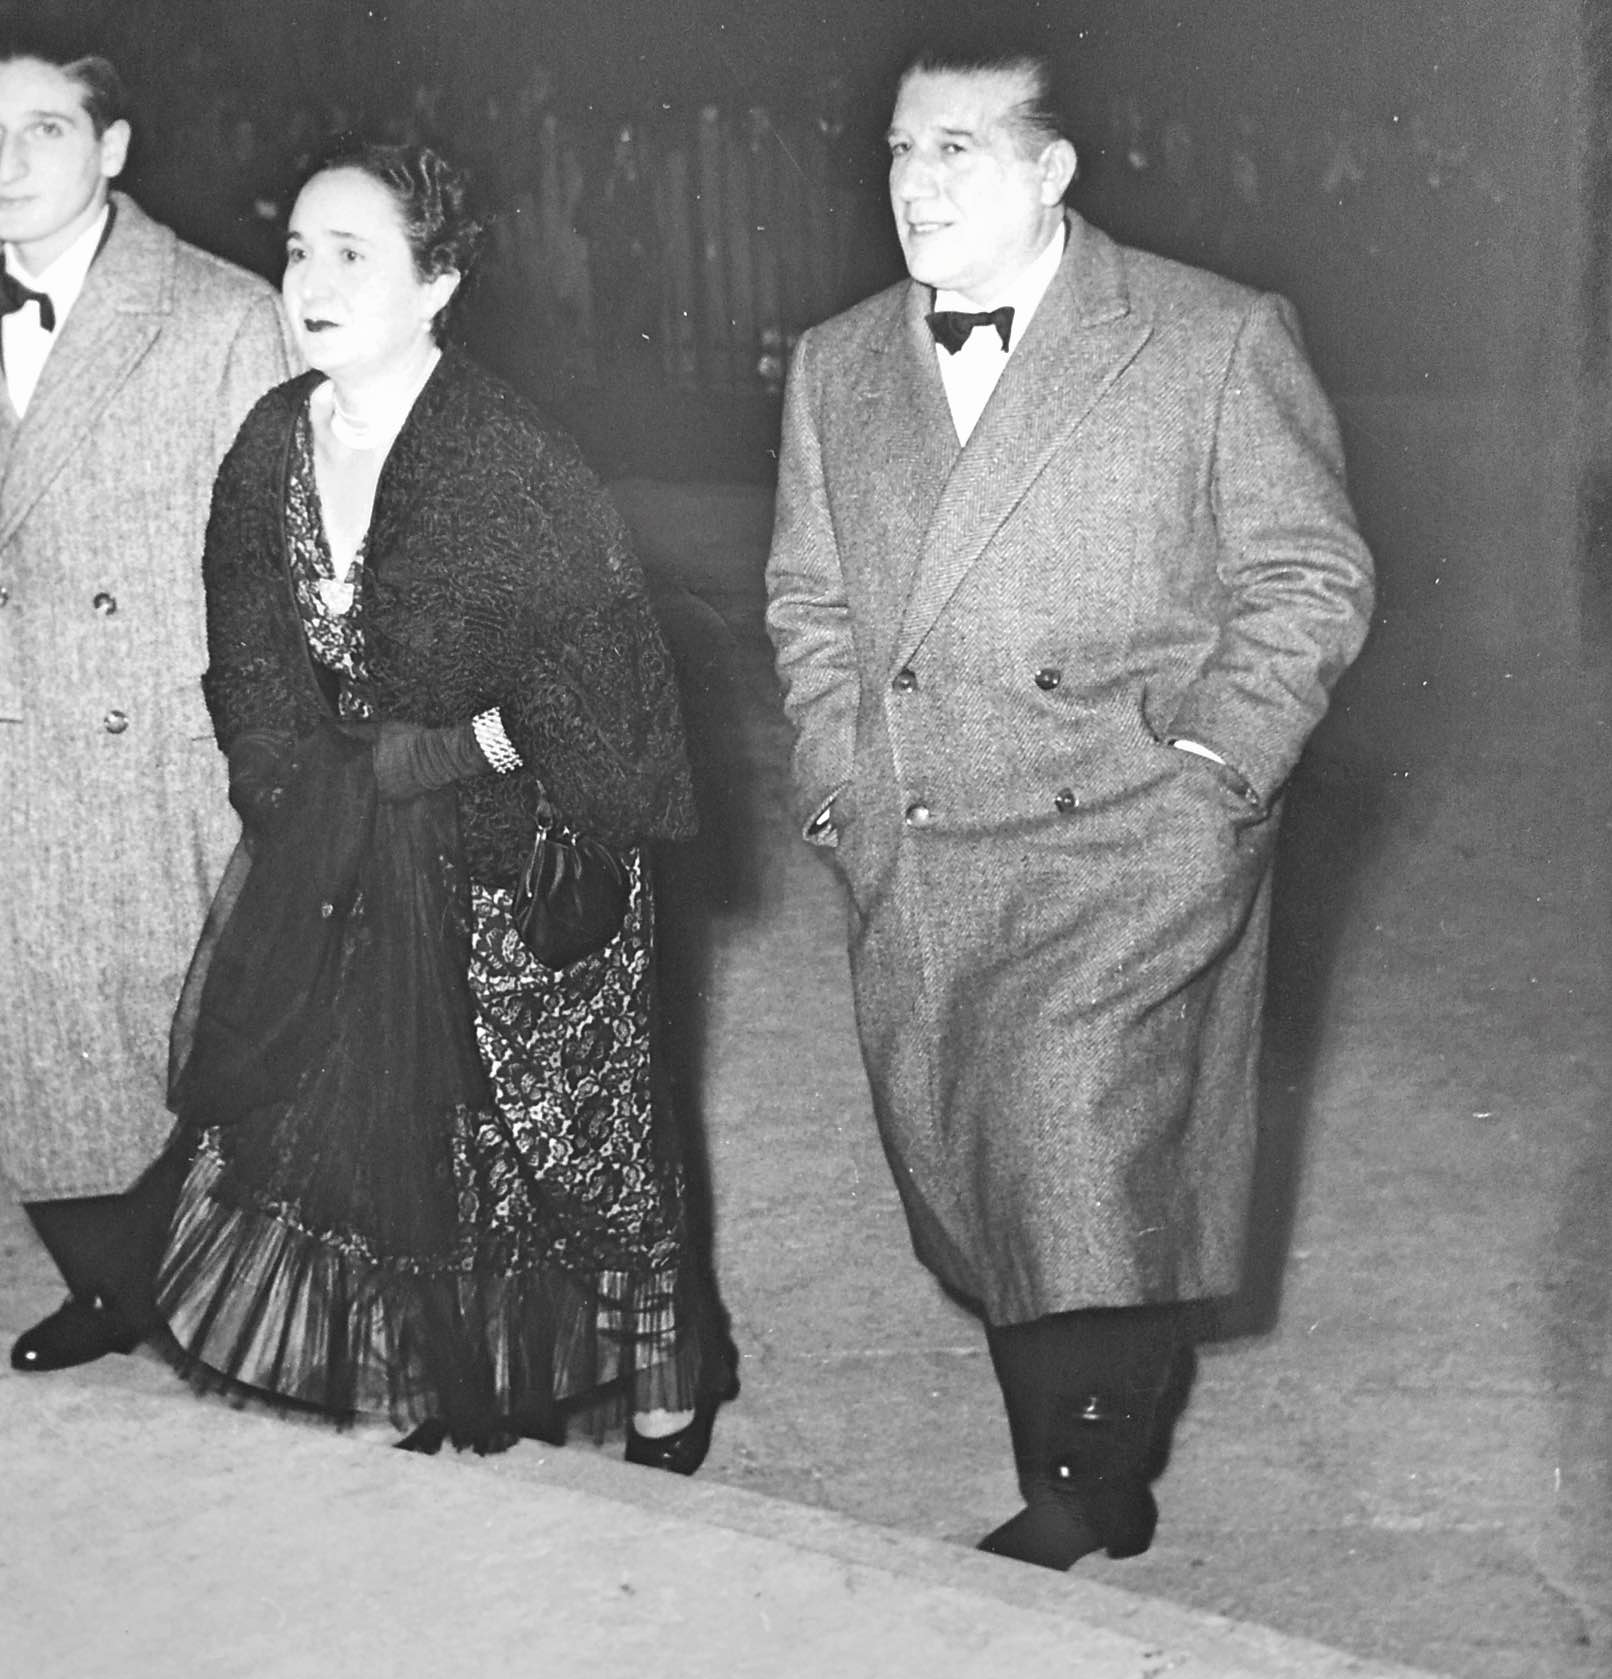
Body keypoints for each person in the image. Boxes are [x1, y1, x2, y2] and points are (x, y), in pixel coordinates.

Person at [764, 41, 1374, 1567]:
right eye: (900, 151)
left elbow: (1309, 577)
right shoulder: (840, 363)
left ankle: (1077, 1480)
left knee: (1074, 1155)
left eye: (957, 149)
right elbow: (809, 603)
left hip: (1128, 837)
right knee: (990, 1177)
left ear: (1052, 171)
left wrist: (1216, 774)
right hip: (923, 847)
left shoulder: (1208, 334)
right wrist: (841, 788)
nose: (915, 185)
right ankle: (1108, 1437)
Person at [154, 138, 732, 1467]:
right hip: (348, 848)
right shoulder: (270, 443)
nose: (311, 283)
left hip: (523, 859)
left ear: (438, 283)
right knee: (404, 1140)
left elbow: (603, 697)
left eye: (352, 255)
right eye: (298, 252)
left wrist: (436, 758)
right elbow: (246, 656)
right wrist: (290, 781)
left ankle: (666, 1383)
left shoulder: (511, 459)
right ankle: (453, 1372)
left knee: (573, 1143)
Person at [0, 40, 294, 1374]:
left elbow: (289, 560)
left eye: (46, 129)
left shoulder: (219, 314)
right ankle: (108, 1288)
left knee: (174, 1050)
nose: (10, 162)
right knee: (36, 1056)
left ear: (112, 149)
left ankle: (210, 1298)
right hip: (18, 744)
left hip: (154, 754)